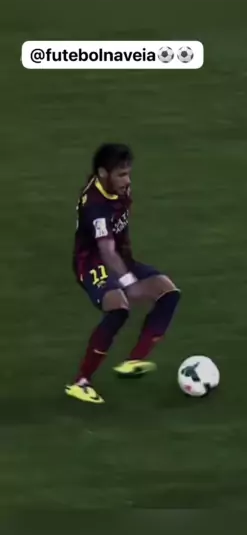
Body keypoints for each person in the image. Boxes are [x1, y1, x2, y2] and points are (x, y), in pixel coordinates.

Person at [65, 143, 181, 404]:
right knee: (119, 308)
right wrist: (129, 282)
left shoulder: (119, 189)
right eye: (121, 174)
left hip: (121, 258)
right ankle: (81, 382)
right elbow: (105, 249)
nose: (127, 181)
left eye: (128, 173)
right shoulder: (95, 205)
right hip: (92, 263)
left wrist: (127, 266)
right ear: (103, 173)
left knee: (169, 292)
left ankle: (134, 360)